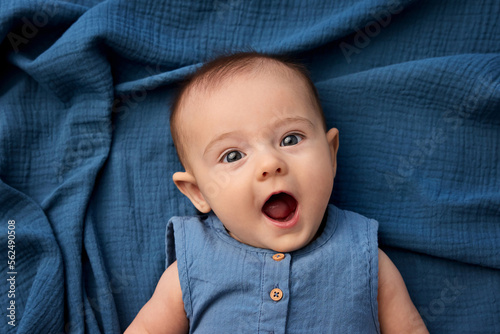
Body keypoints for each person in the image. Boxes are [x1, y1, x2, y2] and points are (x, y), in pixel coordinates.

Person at [125, 52, 428, 333]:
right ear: (198, 192)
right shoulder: (192, 267)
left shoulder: (364, 258)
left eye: (290, 139)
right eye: (232, 156)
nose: (270, 163)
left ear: (331, 154)